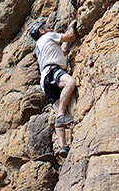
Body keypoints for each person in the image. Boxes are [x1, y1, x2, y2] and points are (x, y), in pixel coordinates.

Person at [29, 20, 77, 158]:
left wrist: (66, 40)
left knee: (57, 113)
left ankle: (63, 146)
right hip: (53, 71)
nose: (50, 28)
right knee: (70, 82)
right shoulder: (47, 36)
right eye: (47, 27)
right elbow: (70, 37)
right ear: (41, 31)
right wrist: (71, 27)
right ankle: (62, 114)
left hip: (45, 79)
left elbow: (62, 50)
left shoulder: (41, 45)